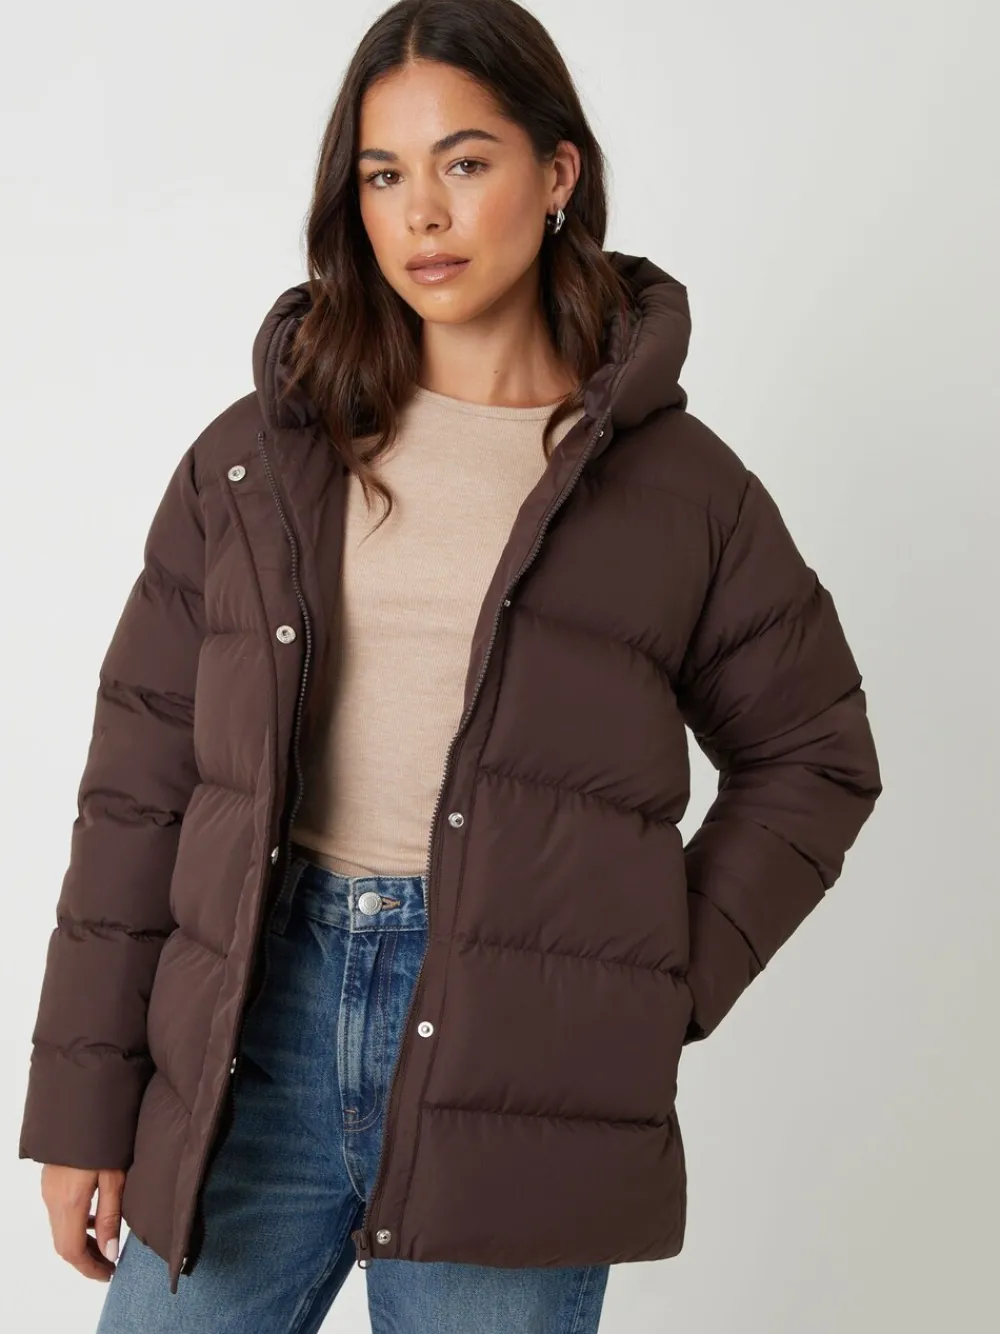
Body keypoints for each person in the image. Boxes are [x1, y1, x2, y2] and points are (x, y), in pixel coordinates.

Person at [18, 1, 883, 1331]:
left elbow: (815, 757)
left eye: (465, 162)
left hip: (520, 1063)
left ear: (557, 172)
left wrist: (647, 984)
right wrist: (83, 1102)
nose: (422, 211)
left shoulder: (684, 492)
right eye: (383, 175)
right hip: (254, 1033)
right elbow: (140, 786)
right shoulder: (255, 459)